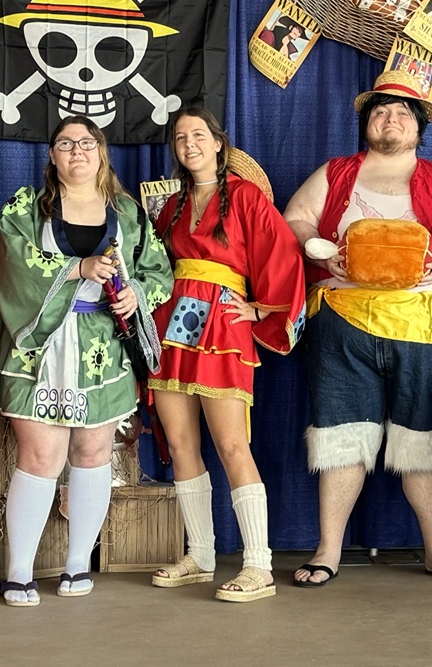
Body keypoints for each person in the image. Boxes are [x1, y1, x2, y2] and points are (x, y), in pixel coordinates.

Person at [284, 70, 432, 587]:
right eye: (380, 111)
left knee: (420, 436)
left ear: (418, 127)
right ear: (366, 122)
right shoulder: (335, 173)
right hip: (343, 320)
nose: (390, 118)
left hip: (422, 323)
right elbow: (295, 220)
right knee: (340, 436)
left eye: (402, 112)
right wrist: (322, 251)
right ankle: (328, 548)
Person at [0, 116, 172, 606]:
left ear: (101, 152)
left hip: (101, 347)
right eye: (65, 144)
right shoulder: (26, 205)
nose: (77, 151)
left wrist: (136, 296)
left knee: (92, 454)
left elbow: (158, 269)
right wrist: (77, 268)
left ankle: (78, 561)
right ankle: (18, 569)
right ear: (53, 156)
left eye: (86, 143)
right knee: (40, 456)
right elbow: (13, 263)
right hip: (38, 344)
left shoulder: (126, 212)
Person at [146, 108, 305, 602]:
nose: (189, 144)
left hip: (219, 324)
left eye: (198, 135)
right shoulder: (169, 206)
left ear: (218, 143)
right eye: (180, 137)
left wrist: (261, 310)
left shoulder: (246, 198)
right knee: (180, 443)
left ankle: (259, 565)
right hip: (172, 323)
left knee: (232, 445)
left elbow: (284, 255)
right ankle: (202, 554)